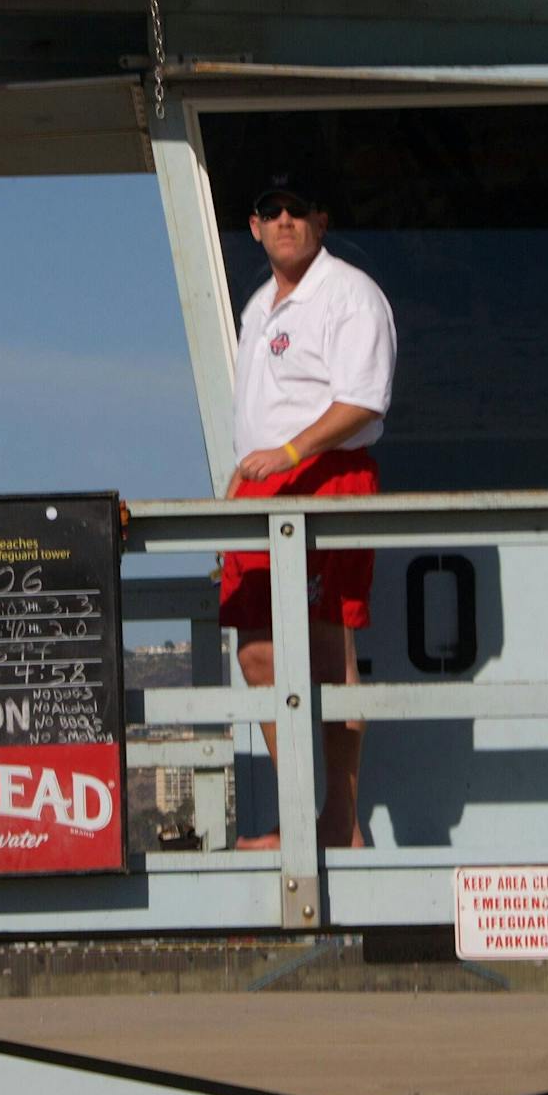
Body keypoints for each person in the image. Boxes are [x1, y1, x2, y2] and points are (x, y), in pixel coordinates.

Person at [219, 167, 397, 849]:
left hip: (326, 477)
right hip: (261, 489)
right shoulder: (258, 304)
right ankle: (300, 817)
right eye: (273, 210)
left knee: (328, 650)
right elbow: (255, 416)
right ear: (256, 227)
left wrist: (290, 454)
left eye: (299, 209)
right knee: (258, 654)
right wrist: (245, 480)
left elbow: (364, 400)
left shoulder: (351, 293)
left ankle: (339, 823)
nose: (286, 220)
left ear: (321, 223)